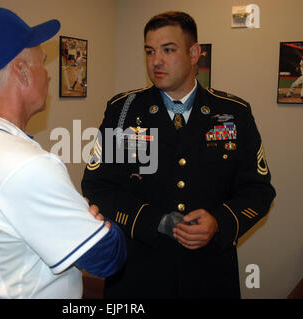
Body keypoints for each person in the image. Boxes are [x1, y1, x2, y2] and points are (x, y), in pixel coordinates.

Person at [81, 11, 275, 298]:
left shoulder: (233, 113)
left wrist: (219, 222)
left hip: (210, 274)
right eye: (150, 51)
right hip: (138, 274)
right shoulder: (123, 111)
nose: (156, 61)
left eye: (168, 50)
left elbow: (258, 191)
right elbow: (97, 187)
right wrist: (154, 221)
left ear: (194, 53)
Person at [0, 7, 126, 299]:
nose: (49, 76)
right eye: (42, 62)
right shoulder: (25, 165)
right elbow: (107, 257)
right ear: (22, 72)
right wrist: (102, 226)